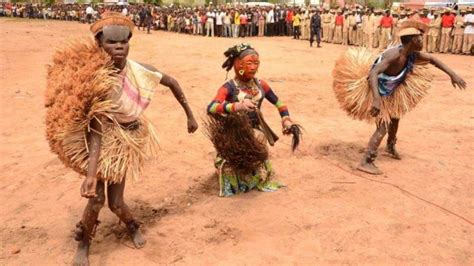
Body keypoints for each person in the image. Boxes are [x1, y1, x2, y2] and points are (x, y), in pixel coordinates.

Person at [45, 12, 198, 265]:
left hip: (127, 137)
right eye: (111, 43)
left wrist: (189, 115)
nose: (118, 47)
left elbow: (172, 82)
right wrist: (91, 175)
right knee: (96, 200)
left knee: (115, 203)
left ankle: (132, 225)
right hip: (104, 140)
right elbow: (96, 130)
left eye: (123, 43)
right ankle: (83, 242)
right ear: (99, 45)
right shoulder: (95, 81)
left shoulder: (139, 70)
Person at [332, 20, 466, 175]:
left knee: (395, 118)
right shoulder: (395, 55)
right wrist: (376, 99)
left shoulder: (412, 55)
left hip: (390, 90)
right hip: (375, 89)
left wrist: (453, 75)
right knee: (383, 126)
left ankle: (390, 145)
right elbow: (373, 74)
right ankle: (366, 161)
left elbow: (433, 60)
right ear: (412, 41)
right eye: (420, 39)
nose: (423, 41)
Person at [206, 44, 301, 196]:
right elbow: (211, 107)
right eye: (249, 63)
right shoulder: (229, 87)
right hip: (234, 133)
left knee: (259, 141)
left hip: (255, 131)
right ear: (238, 64)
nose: (253, 67)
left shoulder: (260, 84)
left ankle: (253, 175)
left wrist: (286, 120)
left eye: (256, 63)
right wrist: (236, 106)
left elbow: (279, 103)